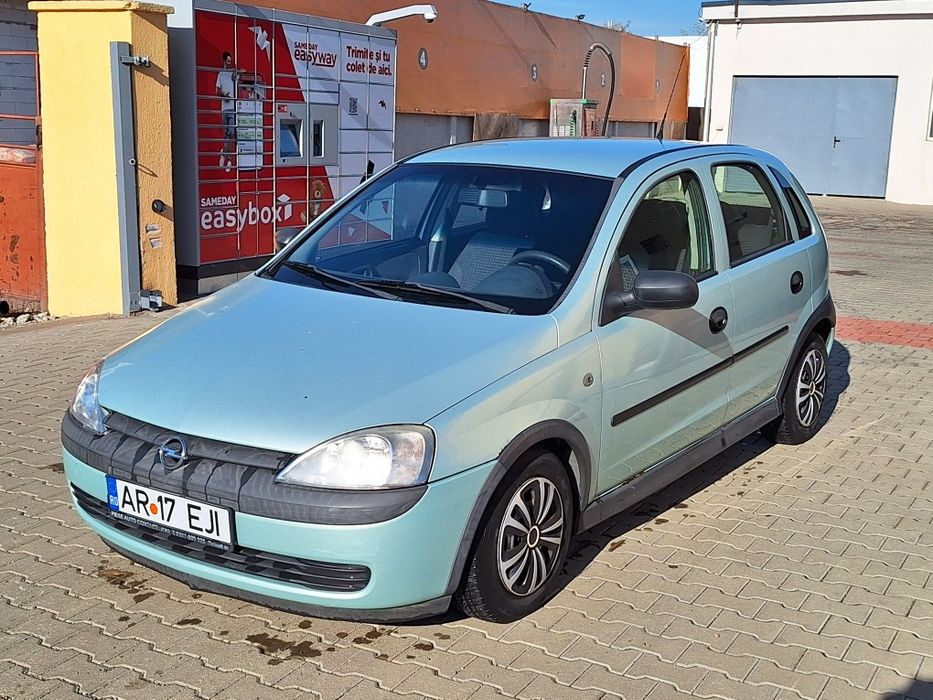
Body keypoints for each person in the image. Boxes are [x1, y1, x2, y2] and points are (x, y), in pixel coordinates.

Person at [216, 51, 237, 172]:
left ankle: (224, 153)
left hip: (234, 108)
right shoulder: (221, 74)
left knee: (232, 132)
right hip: (225, 107)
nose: (230, 63)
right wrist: (225, 96)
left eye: (231, 61)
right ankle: (228, 157)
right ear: (224, 61)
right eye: (228, 61)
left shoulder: (234, 73)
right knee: (227, 134)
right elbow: (217, 91)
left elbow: (244, 73)